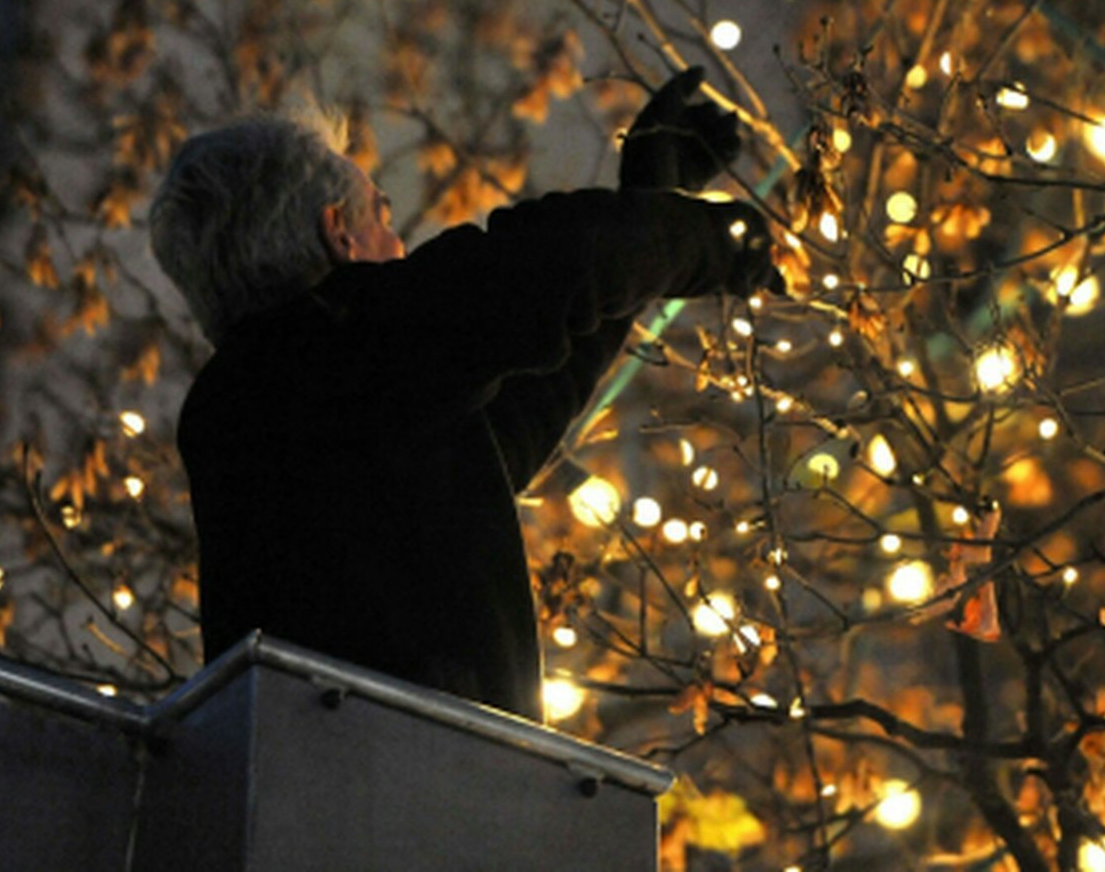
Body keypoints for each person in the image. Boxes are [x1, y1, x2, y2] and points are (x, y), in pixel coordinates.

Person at [148, 68, 778, 720]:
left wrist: (648, 201)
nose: (400, 247)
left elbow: (519, 410)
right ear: (339, 231)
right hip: (416, 779)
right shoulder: (348, 339)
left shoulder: (273, 400)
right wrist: (714, 239)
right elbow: (546, 265)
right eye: (383, 215)